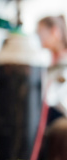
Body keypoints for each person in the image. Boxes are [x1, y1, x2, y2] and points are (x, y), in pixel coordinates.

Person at [37, 15, 67, 160]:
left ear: (55, 31)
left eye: (41, 31)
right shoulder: (47, 65)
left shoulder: (63, 66)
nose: (38, 36)